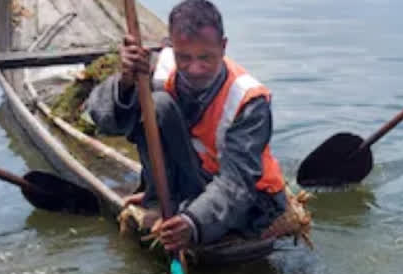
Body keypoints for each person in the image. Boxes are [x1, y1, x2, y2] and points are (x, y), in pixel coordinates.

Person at [87, 0, 289, 253]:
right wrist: (127, 81)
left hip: (253, 198)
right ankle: (161, 198)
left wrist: (192, 222)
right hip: (200, 177)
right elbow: (104, 120)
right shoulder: (159, 69)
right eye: (184, 57)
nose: (194, 69)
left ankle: (182, 208)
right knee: (156, 104)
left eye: (206, 57)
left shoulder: (249, 100)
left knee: (233, 206)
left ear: (223, 46)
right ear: (172, 46)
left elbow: (238, 182)